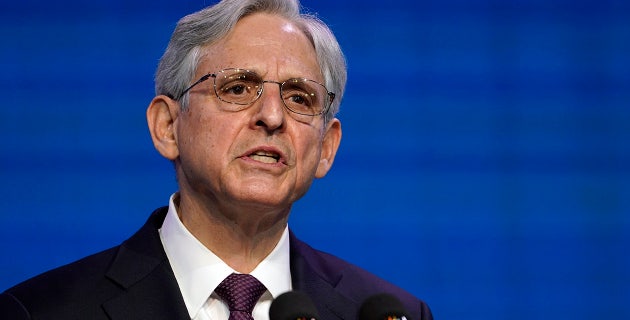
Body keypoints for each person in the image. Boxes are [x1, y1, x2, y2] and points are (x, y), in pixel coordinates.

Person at [0, 0, 433, 319]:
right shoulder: (41, 311)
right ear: (168, 126)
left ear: (326, 148)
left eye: (300, 97)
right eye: (238, 88)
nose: (272, 116)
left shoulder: (390, 313)